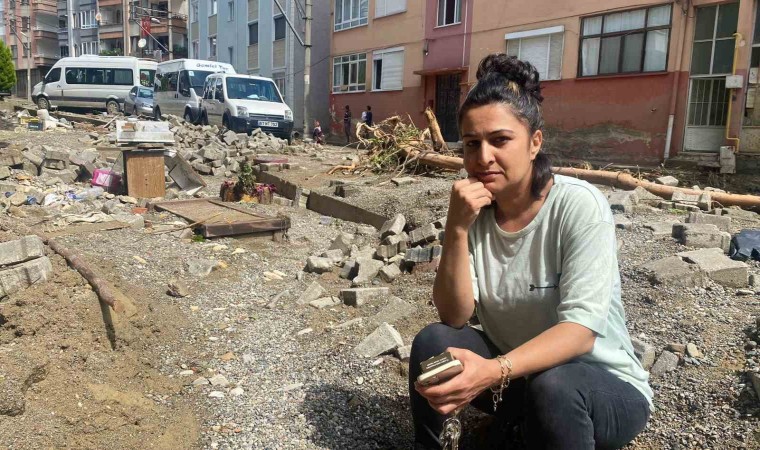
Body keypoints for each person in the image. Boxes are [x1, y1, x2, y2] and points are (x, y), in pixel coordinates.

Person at [409, 54, 653, 449]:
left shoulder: (577, 205)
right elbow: (454, 316)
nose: (483, 158)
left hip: (597, 390)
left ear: (534, 142)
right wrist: (456, 229)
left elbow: (580, 333)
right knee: (433, 344)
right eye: (471, 144)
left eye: (500, 140)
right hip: (519, 378)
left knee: (555, 387)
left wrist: (493, 370)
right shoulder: (475, 212)